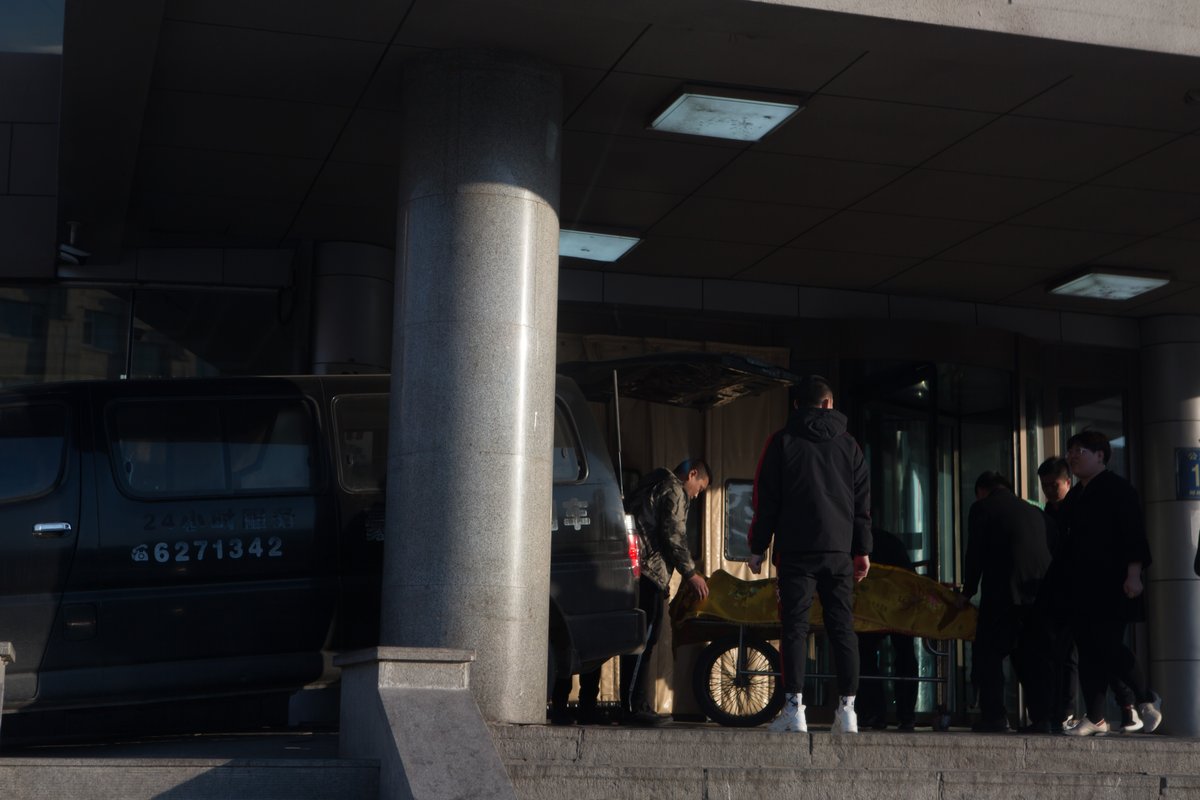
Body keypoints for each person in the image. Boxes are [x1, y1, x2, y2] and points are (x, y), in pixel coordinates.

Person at [747, 375, 871, 735]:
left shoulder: (781, 441)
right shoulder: (850, 446)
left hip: (796, 551)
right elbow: (862, 503)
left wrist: (758, 547)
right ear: (829, 404)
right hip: (838, 552)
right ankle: (848, 711)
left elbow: (765, 500)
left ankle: (794, 709)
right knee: (842, 629)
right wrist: (861, 550)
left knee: (795, 629)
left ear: (797, 406)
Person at [1058, 431, 1162, 736]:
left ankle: (1145, 697)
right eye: (1071, 451)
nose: (1073, 456)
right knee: (1088, 649)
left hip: (1113, 584)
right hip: (1081, 586)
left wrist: (1134, 574)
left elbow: (1134, 534)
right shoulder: (1076, 496)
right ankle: (1096, 717)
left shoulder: (1119, 490)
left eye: (1080, 451)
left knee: (1107, 644)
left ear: (1100, 455)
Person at [619, 459, 711, 725]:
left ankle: (637, 703)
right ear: (692, 474)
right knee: (643, 641)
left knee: (641, 639)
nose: (696, 494)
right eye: (699, 488)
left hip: (638, 572)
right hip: (650, 573)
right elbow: (673, 535)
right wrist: (691, 574)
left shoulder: (653, 483)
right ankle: (634, 707)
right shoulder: (674, 489)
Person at [960, 471, 1053, 732]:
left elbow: (974, 552)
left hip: (1003, 594)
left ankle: (995, 716)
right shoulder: (1036, 512)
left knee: (987, 655)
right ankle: (1042, 717)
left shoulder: (982, 508)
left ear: (982, 490)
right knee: (1030, 657)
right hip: (1038, 595)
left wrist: (967, 591)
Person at [856, 527, 918, 731]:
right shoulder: (891, 541)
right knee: (905, 655)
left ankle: (874, 713)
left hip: (868, 611)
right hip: (900, 608)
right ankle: (906, 714)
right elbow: (910, 577)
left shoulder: (854, 543)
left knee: (865, 657)